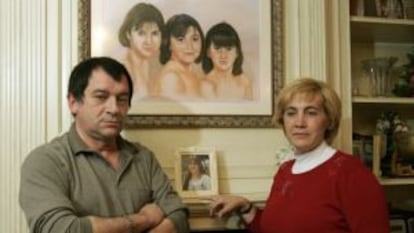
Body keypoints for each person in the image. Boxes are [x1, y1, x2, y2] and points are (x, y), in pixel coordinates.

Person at [19, 57, 189, 233]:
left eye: (122, 99)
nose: (114, 109)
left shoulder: (143, 157)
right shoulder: (45, 161)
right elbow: (60, 229)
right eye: (101, 97)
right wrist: (143, 219)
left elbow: (178, 215)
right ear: (73, 103)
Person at [209, 78, 389, 233]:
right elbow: (274, 228)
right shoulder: (285, 170)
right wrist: (245, 206)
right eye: (291, 113)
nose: (299, 122)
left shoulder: (352, 174)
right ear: (283, 120)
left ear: (328, 120)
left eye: (311, 112)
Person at [153, 14, 206, 100]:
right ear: (168, 44)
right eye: (181, 40)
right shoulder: (171, 78)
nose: (189, 46)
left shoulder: (191, 74)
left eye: (195, 39)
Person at [118, 3, 164, 100]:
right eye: (141, 33)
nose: (149, 41)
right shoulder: (123, 71)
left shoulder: (153, 66)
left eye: (154, 33)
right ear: (128, 34)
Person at [202, 22, 253, 101]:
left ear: (237, 52)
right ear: (208, 52)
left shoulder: (245, 83)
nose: (223, 56)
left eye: (229, 49)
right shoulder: (204, 84)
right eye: (217, 48)